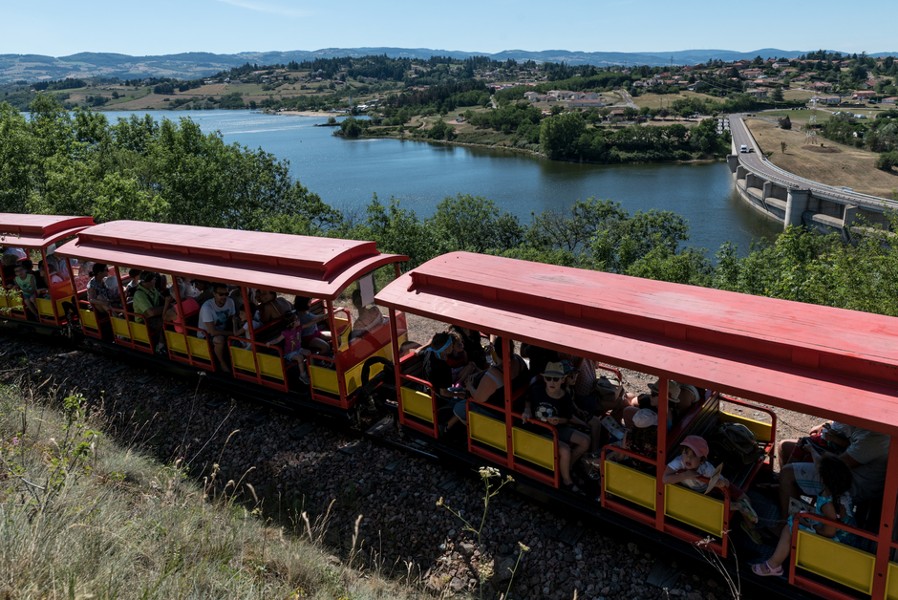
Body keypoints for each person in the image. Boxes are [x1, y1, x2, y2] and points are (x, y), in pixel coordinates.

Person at [752, 455, 854, 577]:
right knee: (798, 516)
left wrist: (810, 525)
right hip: (840, 530)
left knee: (790, 526)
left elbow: (829, 532)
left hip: (836, 538)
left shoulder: (828, 504)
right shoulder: (840, 493)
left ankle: (773, 565)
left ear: (823, 478)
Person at [778, 421, 889, 521]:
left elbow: (831, 467)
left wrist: (812, 450)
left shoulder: (875, 438)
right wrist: (824, 425)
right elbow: (841, 424)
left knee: (787, 474)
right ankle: (788, 494)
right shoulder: (867, 425)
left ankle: (786, 525)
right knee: (785, 446)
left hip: (852, 484)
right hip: (843, 464)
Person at [523, 362, 591, 492]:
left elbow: (567, 417)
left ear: (562, 380)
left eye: (556, 379)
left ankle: (568, 467)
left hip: (557, 428)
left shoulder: (564, 396)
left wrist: (558, 420)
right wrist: (527, 411)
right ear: (544, 379)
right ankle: (566, 480)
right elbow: (527, 400)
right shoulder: (537, 390)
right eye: (548, 378)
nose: (551, 382)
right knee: (564, 450)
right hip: (539, 430)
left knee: (585, 441)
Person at [663, 435, 757, 523]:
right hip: (692, 492)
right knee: (708, 506)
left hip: (706, 489)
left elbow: (720, 481)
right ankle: (738, 506)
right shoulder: (679, 462)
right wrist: (685, 475)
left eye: (694, 455)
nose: (688, 457)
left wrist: (719, 483)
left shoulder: (706, 468)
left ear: (702, 460)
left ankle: (743, 502)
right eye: (686, 452)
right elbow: (665, 479)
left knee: (725, 484)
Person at [451, 337, 527, 426]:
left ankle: (475, 431)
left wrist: (469, 386)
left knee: (459, 407)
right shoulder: (519, 360)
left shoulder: (494, 375)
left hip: (500, 413)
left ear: (494, 351)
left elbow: (478, 398)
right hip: (518, 406)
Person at [198, 282, 236, 370]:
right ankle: (221, 362)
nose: (224, 297)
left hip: (224, 330)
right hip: (206, 335)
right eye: (221, 294)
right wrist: (232, 333)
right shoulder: (207, 307)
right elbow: (212, 332)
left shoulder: (230, 301)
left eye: (226, 294)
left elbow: (232, 319)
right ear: (214, 294)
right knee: (219, 339)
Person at [266, 312, 311, 385]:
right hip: (289, 353)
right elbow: (277, 340)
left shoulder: (298, 328)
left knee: (308, 352)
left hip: (298, 349)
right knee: (300, 358)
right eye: (296, 320)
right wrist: (270, 342)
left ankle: (311, 370)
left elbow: (309, 324)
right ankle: (303, 375)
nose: (299, 320)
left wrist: (320, 318)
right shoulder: (286, 333)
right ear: (291, 323)